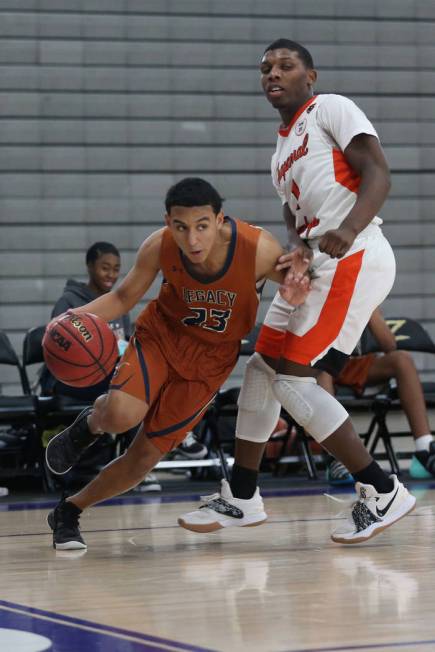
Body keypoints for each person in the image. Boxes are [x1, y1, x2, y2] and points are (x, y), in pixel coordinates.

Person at [178, 39, 416, 544]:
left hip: (357, 254)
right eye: (265, 68)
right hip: (320, 265)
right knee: (262, 369)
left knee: (295, 380)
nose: (273, 74)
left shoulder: (331, 107)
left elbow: (378, 171)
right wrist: (298, 250)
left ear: (310, 75)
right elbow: (294, 216)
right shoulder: (280, 152)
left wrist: (347, 229)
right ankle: (242, 496)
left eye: (285, 66)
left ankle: (382, 490)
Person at [45, 177, 309, 550]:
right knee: (122, 415)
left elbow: (296, 288)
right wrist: (70, 319)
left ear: (219, 219)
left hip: (210, 362)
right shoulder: (160, 245)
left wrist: (296, 294)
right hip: (161, 338)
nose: (192, 239)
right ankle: (88, 425)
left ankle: (69, 510)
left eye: (202, 226)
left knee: (141, 461)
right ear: (168, 221)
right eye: (181, 227)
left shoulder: (258, 249)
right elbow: (122, 297)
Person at [318, 308, 435, 482]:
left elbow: (389, 345)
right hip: (319, 360)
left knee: (402, 359)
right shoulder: (317, 288)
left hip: (354, 364)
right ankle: (335, 455)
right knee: (322, 368)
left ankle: (424, 448)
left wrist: (371, 308)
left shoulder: (366, 287)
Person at [40, 241, 131, 401]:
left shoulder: (118, 305)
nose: (111, 274)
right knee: (119, 387)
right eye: (105, 268)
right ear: (90, 266)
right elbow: (55, 345)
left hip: (108, 375)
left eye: (116, 269)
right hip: (72, 376)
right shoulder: (69, 301)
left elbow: (125, 346)